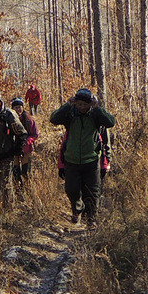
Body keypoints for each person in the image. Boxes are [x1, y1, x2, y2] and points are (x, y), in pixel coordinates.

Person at [49, 87, 116, 225]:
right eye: (79, 104)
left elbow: (111, 122)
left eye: (85, 105)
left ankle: (91, 219)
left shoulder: (95, 115)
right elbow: (53, 119)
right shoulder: (70, 114)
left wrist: (97, 108)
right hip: (71, 160)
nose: (82, 107)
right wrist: (67, 105)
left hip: (91, 159)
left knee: (93, 192)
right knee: (71, 190)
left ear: (90, 104)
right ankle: (78, 209)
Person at [10, 96, 39, 198]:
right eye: (16, 107)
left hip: (26, 148)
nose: (18, 109)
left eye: (20, 107)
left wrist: (26, 142)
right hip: (14, 149)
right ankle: (18, 192)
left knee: (26, 172)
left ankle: (28, 192)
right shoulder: (9, 118)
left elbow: (35, 134)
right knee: (16, 172)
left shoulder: (28, 119)